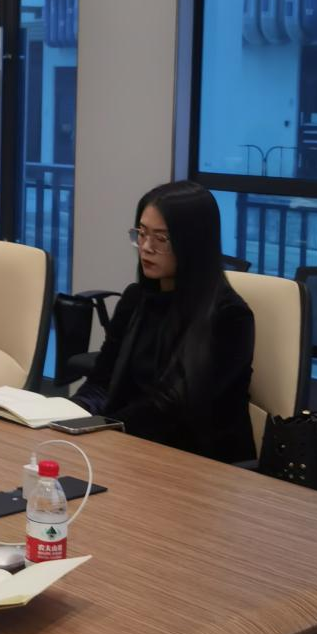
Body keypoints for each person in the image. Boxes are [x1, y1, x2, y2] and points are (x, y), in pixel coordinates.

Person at [74, 180, 255, 463]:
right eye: (141, 233)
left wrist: (105, 429)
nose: (146, 247)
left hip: (198, 463)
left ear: (192, 244)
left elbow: (174, 406)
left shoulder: (230, 318)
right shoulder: (135, 300)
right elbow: (101, 382)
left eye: (161, 239)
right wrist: (69, 414)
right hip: (126, 446)